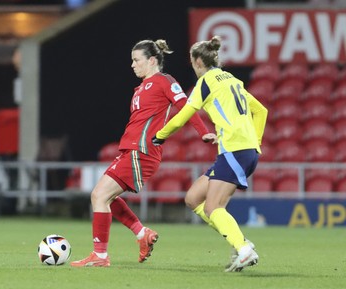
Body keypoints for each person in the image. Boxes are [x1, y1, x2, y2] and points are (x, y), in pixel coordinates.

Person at [70, 39, 212, 267]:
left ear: (152, 60)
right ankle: (141, 234)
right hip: (131, 150)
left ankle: (101, 256)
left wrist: (203, 132)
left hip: (142, 151)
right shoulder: (140, 88)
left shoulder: (164, 81)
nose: (132, 65)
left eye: (137, 60)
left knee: (98, 196)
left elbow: (187, 106)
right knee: (108, 198)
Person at [152, 36, 268, 272]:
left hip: (235, 150)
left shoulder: (205, 82)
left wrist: (160, 135)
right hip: (239, 149)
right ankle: (240, 242)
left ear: (196, 61)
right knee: (193, 198)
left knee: (213, 207)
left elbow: (184, 115)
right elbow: (261, 111)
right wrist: (254, 142)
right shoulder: (232, 80)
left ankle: (243, 248)